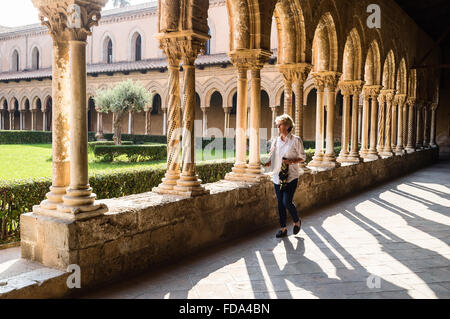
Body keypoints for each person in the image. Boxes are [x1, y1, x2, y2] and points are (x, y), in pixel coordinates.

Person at [264, 114, 306, 238]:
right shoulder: (276, 141)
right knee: (280, 203)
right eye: (277, 125)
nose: (278, 126)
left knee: (286, 202)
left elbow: (303, 158)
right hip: (277, 176)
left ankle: (297, 221)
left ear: (287, 126)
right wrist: (268, 161)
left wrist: (291, 161)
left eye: (280, 124)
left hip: (291, 176)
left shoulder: (295, 140)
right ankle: (283, 229)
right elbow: (272, 155)